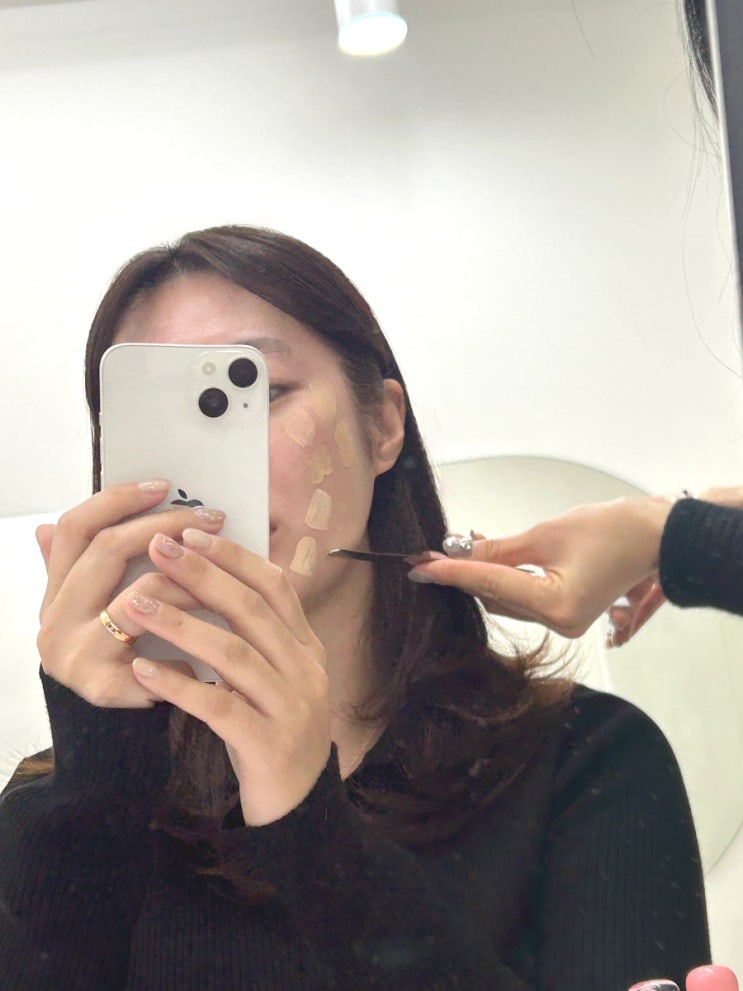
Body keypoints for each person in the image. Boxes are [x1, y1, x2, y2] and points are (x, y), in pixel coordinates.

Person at [0, 226, 710, 990]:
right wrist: (95, 779)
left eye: (257, 390)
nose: (209, 467)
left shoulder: (587, 761)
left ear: (382, 426)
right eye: (153, 416)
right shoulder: (63, 808)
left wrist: (313, 836)